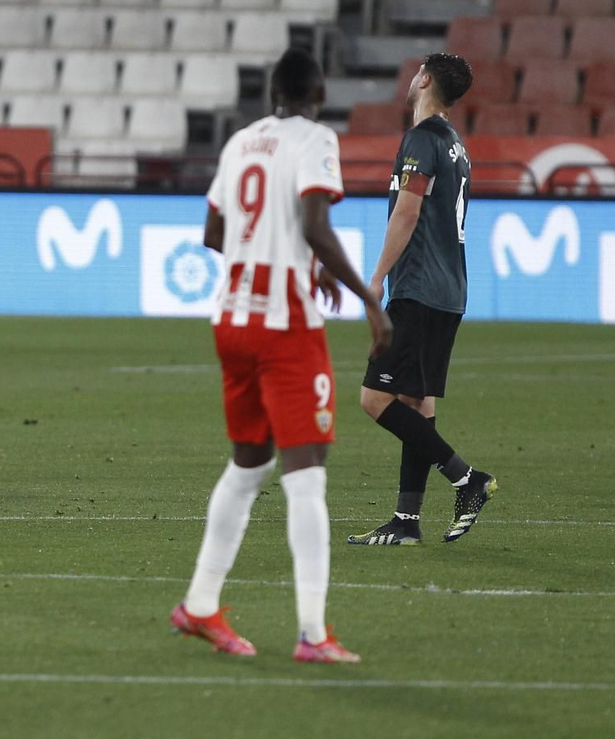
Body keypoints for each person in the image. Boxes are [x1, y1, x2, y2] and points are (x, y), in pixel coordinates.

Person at [170, 49, 392, 664]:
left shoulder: (241, 141)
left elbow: (215, 233)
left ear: (273, 92)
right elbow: (317, 223)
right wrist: (370, 300)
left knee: (248, 466)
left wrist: (286, 256)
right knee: (307, 475)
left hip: (232, 320)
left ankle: (200, 604)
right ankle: (314, 634)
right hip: (286, 327)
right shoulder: (316, 138)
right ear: (318, 91)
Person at [349, 52, 497, 547]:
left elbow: (407, 213)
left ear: (425, 79)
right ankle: (407, 520)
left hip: (418, 288)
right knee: (417, 402)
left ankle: (466, 478)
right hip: (450, 290)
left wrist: (375, 281)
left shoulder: (422, 139)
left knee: (374, 399)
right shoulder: (455, 144)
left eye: (415, 72)